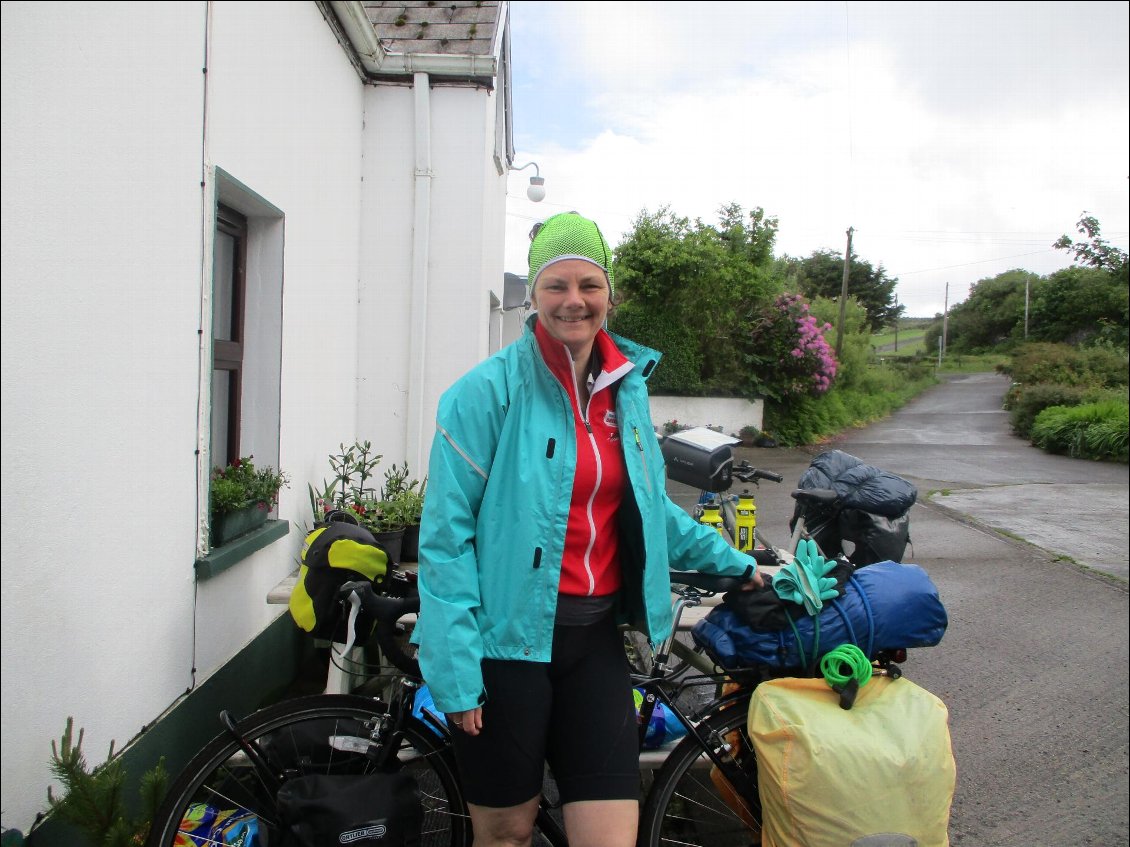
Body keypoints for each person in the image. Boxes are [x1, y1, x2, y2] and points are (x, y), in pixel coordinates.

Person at [411, 211, 764, 847]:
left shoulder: (625, 392)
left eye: (589, 285)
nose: (574, 301)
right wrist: (457, 674)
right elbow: (444, 541)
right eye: (556, 285)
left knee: (609, 838)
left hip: (595, 642)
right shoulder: (483, 394)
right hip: (504, 652)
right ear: (534, 295)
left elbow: (652, 513)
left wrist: (741, 567)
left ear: (608, 294)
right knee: (507, 835)